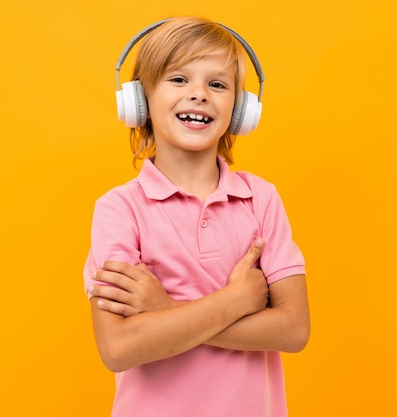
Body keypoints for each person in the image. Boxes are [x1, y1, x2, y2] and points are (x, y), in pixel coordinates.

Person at [83, 16, 310, 417]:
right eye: (178, 79)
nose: (199, 95)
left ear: (240, 111)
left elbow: (293, 330)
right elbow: (118, 348)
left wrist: (164, 310)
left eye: (217, 84)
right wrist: (237, 300)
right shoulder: (119, 209)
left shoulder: (260, 198)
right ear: (140, 102)